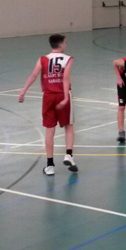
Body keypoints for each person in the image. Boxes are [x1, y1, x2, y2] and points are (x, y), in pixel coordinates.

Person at [17, 34, 77, 176]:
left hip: (48, 97)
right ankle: (69, 154)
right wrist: (65, 98)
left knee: (49, 130)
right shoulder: (68, 59)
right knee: (68, 126)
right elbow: (65, 78)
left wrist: (23, 91)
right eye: (65, 43)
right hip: (62, 95)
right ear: (60, 44)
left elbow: (33, 75)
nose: (66, 45)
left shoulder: (42, 59)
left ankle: (50, 165)